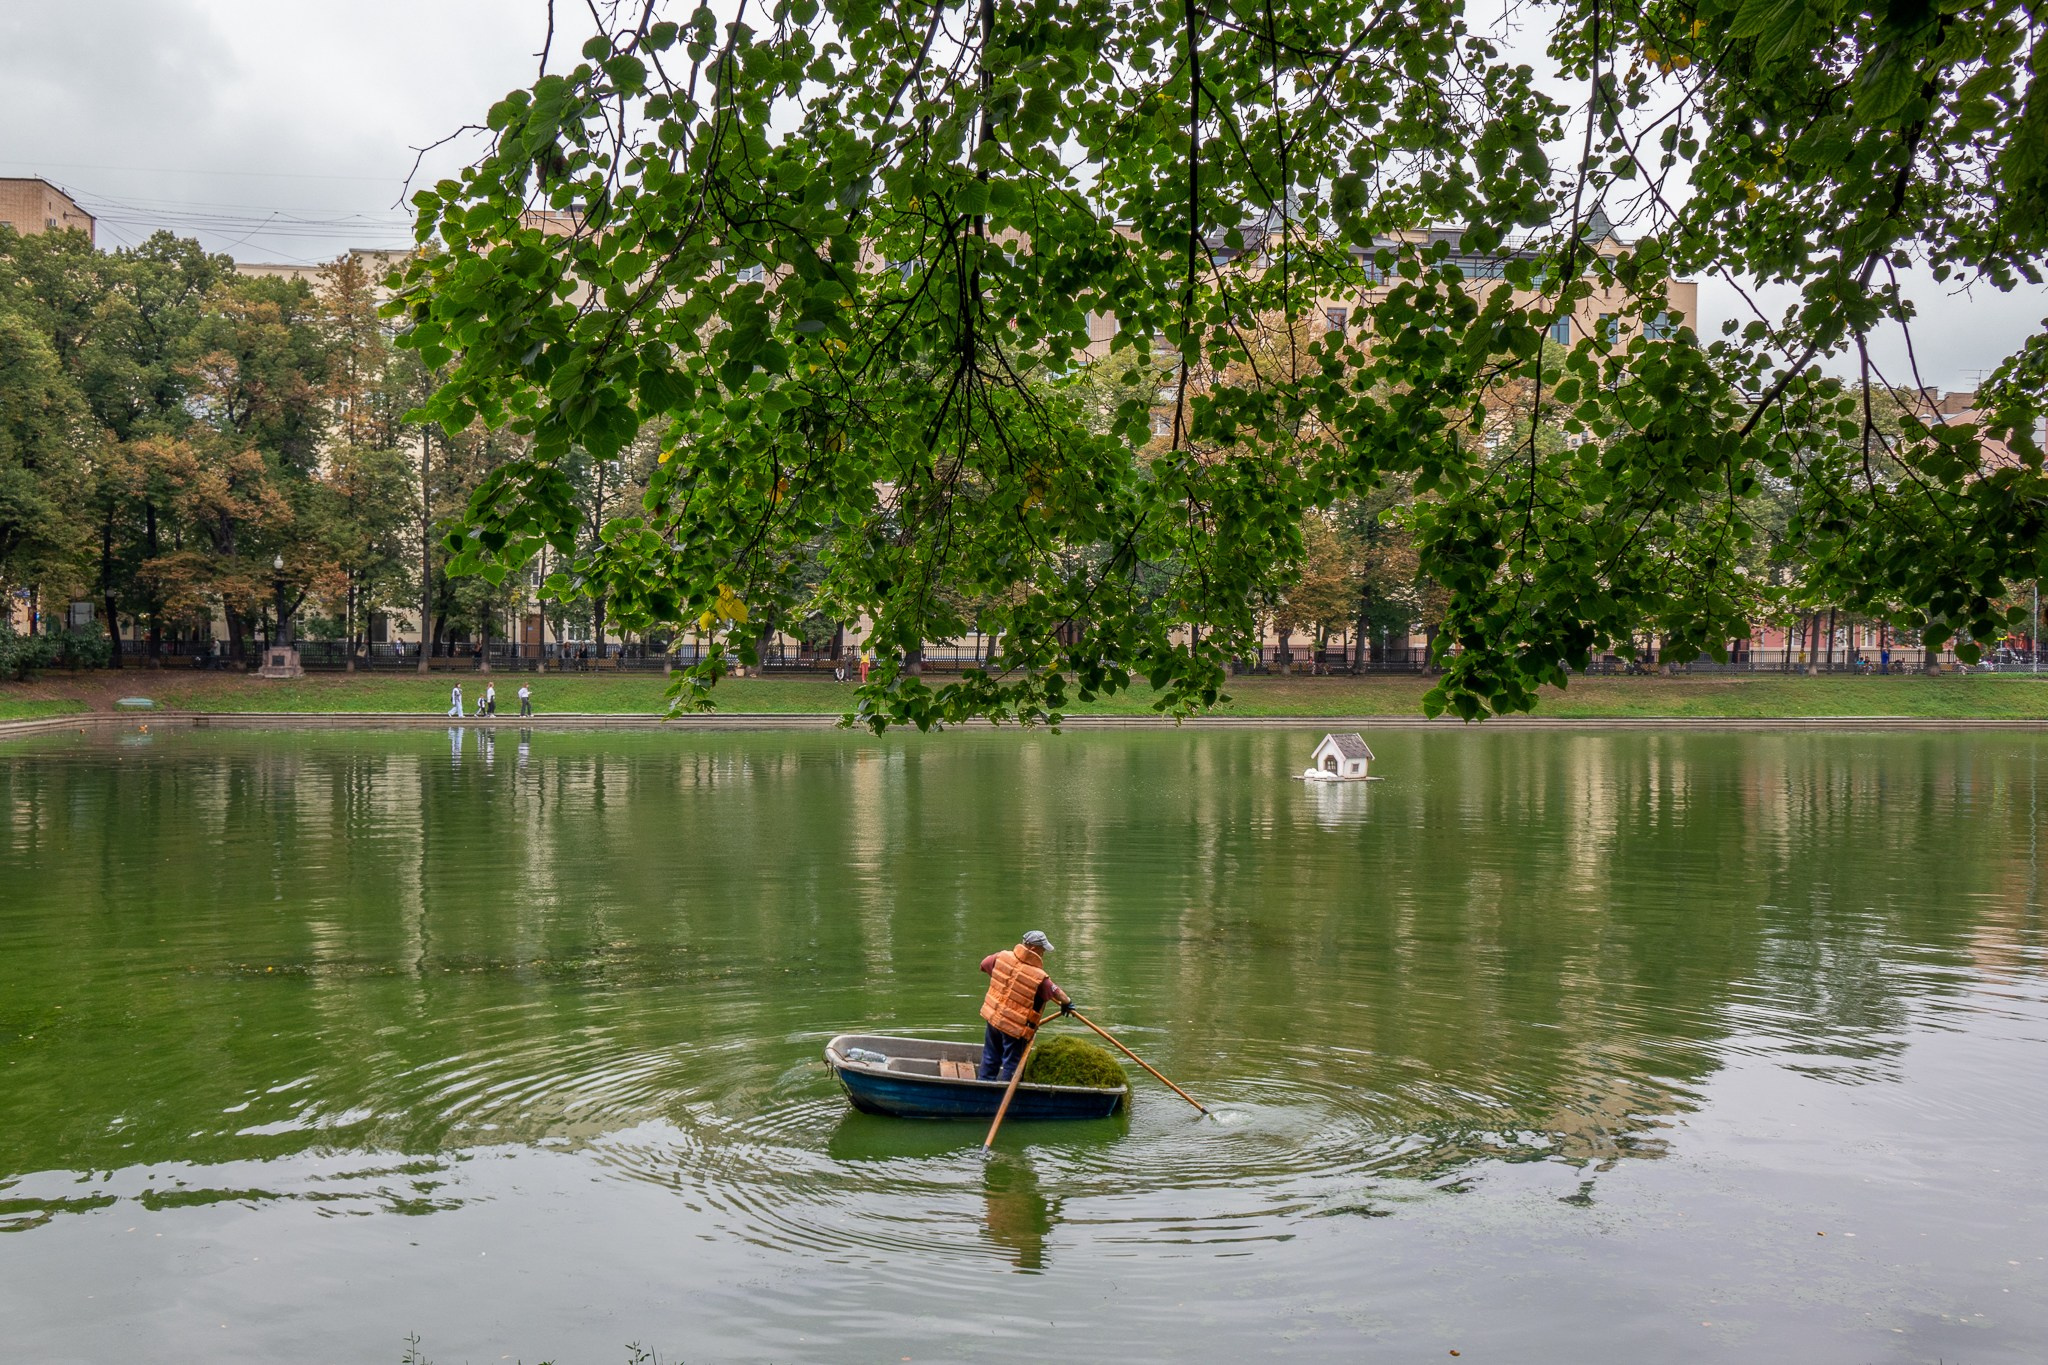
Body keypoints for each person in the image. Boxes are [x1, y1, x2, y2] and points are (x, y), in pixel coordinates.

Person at [976, 930, 1072, 1082]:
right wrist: (1067, 1003)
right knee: (1012, 1063)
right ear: (1033, 949)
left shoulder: (1002, 956)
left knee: (990, 1055)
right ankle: (1006, 1093)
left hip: (993, 1018)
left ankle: (983, 1084)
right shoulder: (1038, 976)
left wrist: (1003, 979)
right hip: (1014, 1026)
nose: (1043, 954)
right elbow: (1058, 993)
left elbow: (984, 964)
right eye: (1042, 950)